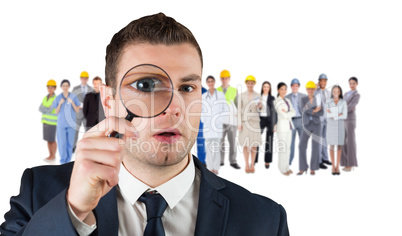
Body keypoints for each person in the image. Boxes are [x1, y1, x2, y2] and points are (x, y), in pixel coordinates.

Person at [1, 13, 289, 236]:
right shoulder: (40, 193)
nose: (174, 108)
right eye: (146, 84)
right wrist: (73, 212)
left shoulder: (264, 219)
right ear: (110, 100)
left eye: (187, 87)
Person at [201, 76, 228, 175]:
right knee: (208, 149)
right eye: (209, 81)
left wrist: (220, 120)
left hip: (217, 126)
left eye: (212, 81)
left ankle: (216, 168)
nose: (210, 83)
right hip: (208, 126)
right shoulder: (204, 96)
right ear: (207, 83)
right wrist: (204, 119)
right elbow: (202, 110)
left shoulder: (220, 95)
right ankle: (209, 168)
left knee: (216, 148)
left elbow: (225, 109)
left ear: (214, 82)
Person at [297, 81, 323, 176]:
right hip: (306, 125)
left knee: (315, 147)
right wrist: (314, 111)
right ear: (306, 89)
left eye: (312, 88)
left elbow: (322, 112)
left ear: (314, 89)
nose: (310, 90)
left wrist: (310, 111)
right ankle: (303, 167)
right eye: (309, 89)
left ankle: (313, 168)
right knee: (301, 146)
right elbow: (302, 110)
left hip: (316, 125)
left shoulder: (318, 99)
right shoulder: (303, 99)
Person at [237, 75, 261, 173]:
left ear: (254, 84)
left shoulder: (258, 95)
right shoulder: (241, 95)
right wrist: (239, 123)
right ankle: (246, 164)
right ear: (246, 84)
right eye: (248, 83)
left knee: (254, 144)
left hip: (255, 122)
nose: (250, 85)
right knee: (245, 144)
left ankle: (252, 164)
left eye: (252, 83)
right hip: (245, 122)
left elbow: (261, 109)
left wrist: (260, 106)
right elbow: (239, 110)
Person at [217, 69, 241, 169]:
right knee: (221, 142)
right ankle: (221, 160)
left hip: (232, 121)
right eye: (223, 78)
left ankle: (233, 161)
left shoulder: (234, 91)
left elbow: (239, 107)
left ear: (229, 79)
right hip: (220, 121)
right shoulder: (217, 90)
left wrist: (239, 121)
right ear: (220, 79)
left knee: (232, 142)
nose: (225, 80)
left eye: (226, 78)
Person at [52, 79, 80, 164]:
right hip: (61, 124)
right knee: (62, 143)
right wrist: (60, 103)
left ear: (69, 87)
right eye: (63, 86)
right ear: (61, 87)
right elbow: (56, 112)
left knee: (70, 143)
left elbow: (77, 110)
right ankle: (62, 161)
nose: (65, 87)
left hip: (71, 124)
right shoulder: (58, 98)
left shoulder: (73, 97)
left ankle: (68, 161)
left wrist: (72, 103)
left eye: (66, 86)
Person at [274, 82, 295, 176]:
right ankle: (282, 169)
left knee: (288, 149)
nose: (283, 91)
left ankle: (287, 167)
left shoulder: (287, 100)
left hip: (289, 126)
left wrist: (287, 113)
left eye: (285, 89)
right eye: (281, 89)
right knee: (283, 149)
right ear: (278, 90)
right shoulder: (277, 101)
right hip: (282, 128)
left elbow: (293, 112)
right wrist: (287, 113)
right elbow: (282, 115)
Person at [326, 85, 348, 175]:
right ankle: (333, 167)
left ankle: (337, 167)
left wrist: (333, 113)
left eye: (337, 91)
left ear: (340, 92)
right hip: (331, 125)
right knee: (331, 146)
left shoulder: (343, 102)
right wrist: (338, 114)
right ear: (332, 92)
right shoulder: (328, 101)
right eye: (334, 91)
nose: (336, 93)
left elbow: (345, 115)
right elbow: (326, 115)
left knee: (339, 146)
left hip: (340, 125)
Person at [255, 81, 277, 169]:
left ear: (269, 88)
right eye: (264, 86)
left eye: (268, 87)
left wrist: (275, 124)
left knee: (269, 140)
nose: (266, 88)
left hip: (270, 120)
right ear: (262, 87)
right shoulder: (258, 97)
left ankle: (267, 160)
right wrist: (258, 107)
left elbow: (275, 112)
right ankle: (254, 159)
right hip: (260, 119)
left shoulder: (272, 98)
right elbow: (254, 109)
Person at [285, 78, 306, 166]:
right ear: (291, 86)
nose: (295, 87)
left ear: (298, 87)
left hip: (301, 120)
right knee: (291, 142)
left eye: (296, 86)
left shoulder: (303, 96)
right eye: (293, 86)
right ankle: (289, 160)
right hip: (291, 121)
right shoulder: (287, 97)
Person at [341, 77, 360, 172]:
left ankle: (351, 164)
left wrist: (344, 108)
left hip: (350, 119)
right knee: (343, 141)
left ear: (357, 84)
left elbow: (352, 106)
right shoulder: (345, 94)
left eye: (353, 83)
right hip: (343, 119)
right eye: (350, 83)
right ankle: (345, 163)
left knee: (350, 142)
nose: (352, 85)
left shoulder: (357, 95)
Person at [72, 71, 94, 152]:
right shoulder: (75, 89)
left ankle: (89, 147)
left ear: (87, 79)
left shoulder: (91, 89)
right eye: (82, 78)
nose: (84, 80)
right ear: (80, 78)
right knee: (75, 132)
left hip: (87, 114)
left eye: (85, 78)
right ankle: (73, 147)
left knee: (88, 131)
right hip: (77, 113)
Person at [315, 73, 332, 169]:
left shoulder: (329, 93)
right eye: (321, 80)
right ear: (319, 81)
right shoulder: (315, 92)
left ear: (326, 82)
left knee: (325, 139)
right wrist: (315, 86)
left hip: (326, 119)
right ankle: (318, 161)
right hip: (318, 119)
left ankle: (325, 158)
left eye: (324, 80)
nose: (323, 82)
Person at [39, 79, 58, 162]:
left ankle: (53, 155)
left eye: (52, 87)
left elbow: (50, 109)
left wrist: (45, 108)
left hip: (52, 122)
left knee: (52, 140)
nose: (50, 89)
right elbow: (40, 108)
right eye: (48, 87)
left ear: (55, 88)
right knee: (48, 139)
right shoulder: (45, 98)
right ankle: (50, 155)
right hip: (45, 122)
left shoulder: (56, 98)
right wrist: (47, 108)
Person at [196, 86, 208, 165]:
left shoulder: (204, 91)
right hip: (185, 116)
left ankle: (202, 162)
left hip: (200, 118)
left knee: (200, 139)